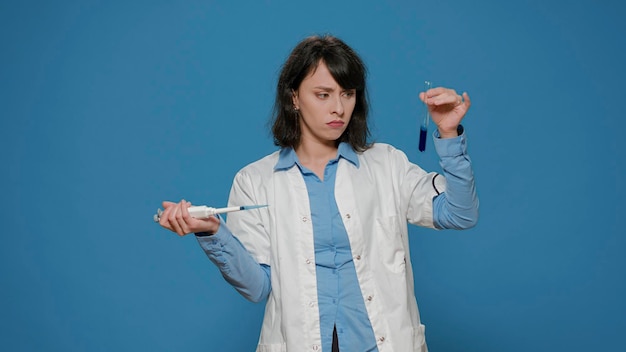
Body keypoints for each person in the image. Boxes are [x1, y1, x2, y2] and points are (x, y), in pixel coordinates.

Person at [158, 34, 478, 352]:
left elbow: (460, 213)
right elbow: (257, 288)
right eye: (323, 94)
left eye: (347, 94)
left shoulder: (387, 164)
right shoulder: (254, 180)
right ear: (294, 97)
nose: (338, 108)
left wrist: (449, 135)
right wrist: (214, 232)